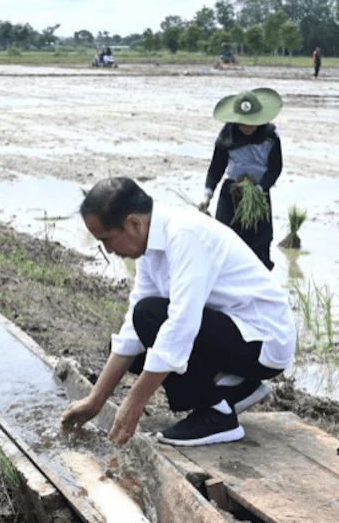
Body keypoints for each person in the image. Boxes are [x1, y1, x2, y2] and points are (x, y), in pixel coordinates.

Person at [61, 177, 295, 447]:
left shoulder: (184, 234)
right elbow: (132, 331)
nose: (109, 250)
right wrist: (95, 400)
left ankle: (217, 414)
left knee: (151, 317)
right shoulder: (150, 245)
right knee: (139, 340)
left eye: (108, 239)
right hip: (235, 332)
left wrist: (134, 402)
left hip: (264, 339)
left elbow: (182, 323)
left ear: (134, 223)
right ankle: (238, 388)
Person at [198, 88, 283, 270]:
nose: (248, 126)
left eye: (252, 121)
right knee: (226, 239)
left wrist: (260, 189)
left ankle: (260, 287)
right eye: (243, 122)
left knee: (260, 242)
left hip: (259, 193)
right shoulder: (227, 136)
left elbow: (275, 168)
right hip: (232, 192)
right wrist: (207, 194)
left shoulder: (270, 136)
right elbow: (216, 168)